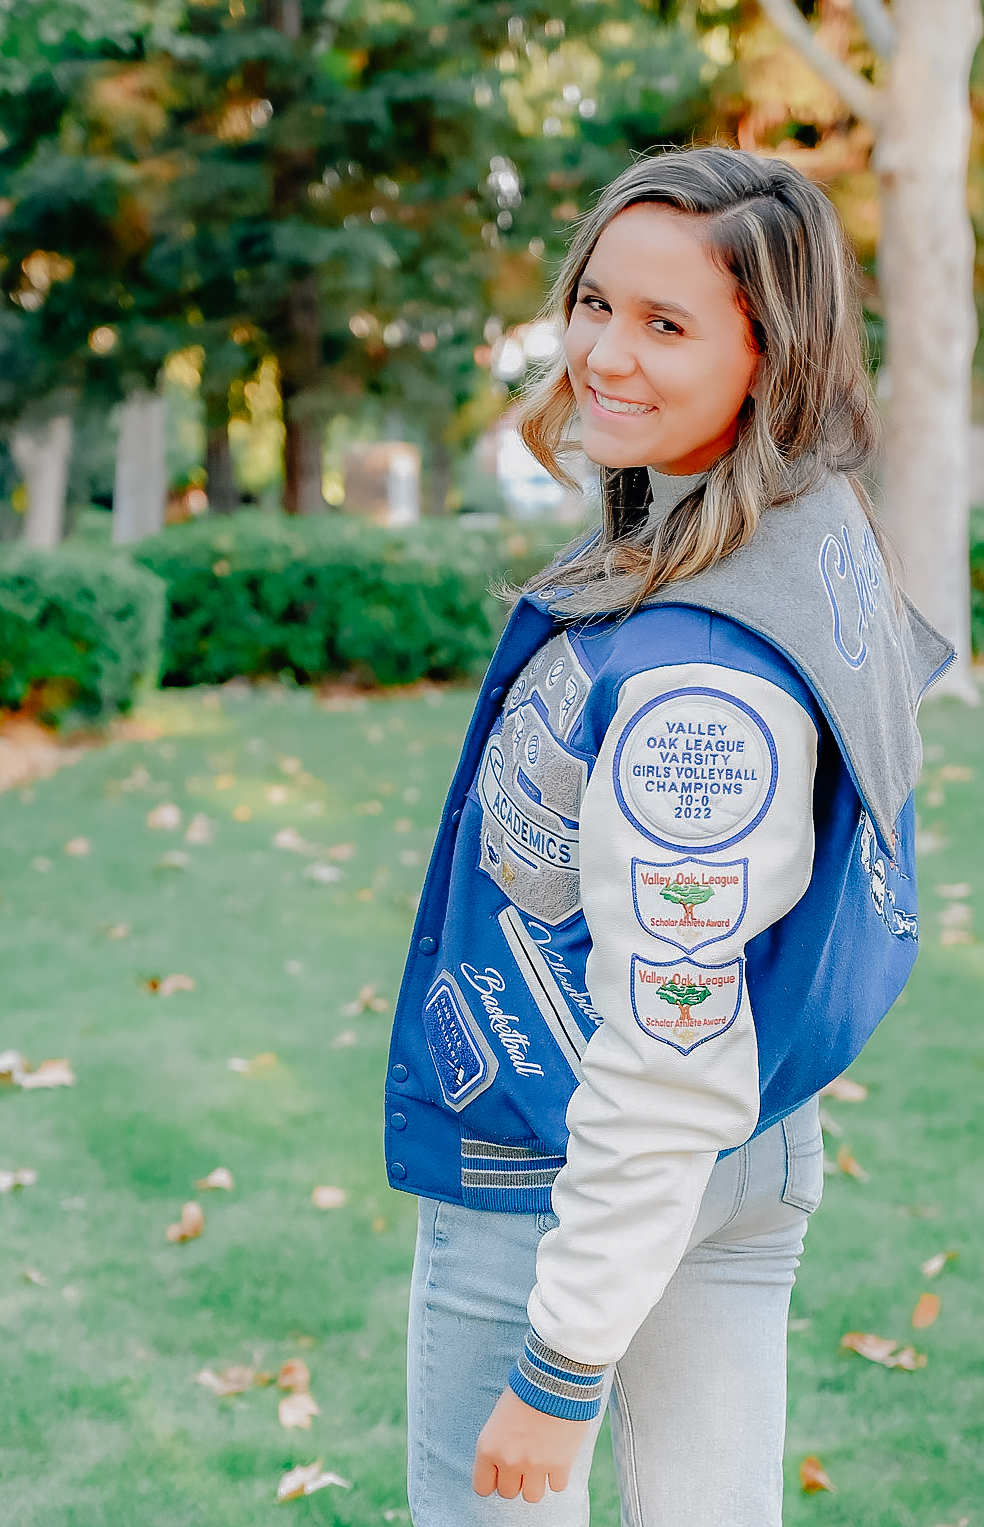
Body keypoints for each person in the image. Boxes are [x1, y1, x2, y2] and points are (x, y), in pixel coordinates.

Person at [384, 146, 953, 1525]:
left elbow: (672, 1043)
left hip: (577, 1160)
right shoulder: (766, 524)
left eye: (667, 325)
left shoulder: (704, 681)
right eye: (595, 303)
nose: (603, 356)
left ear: (771, 357)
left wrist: (562, 1367)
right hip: (737, 1144)